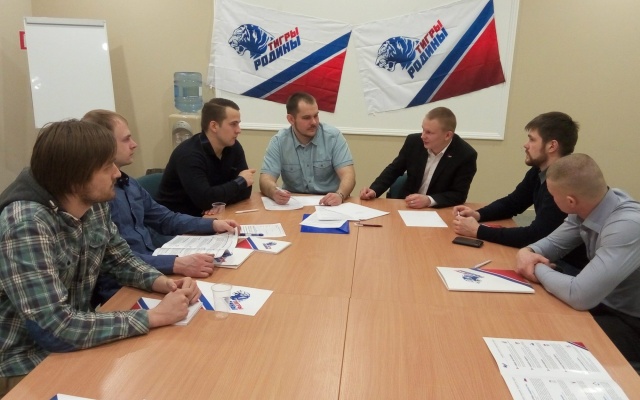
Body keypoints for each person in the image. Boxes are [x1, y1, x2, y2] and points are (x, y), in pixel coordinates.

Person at [0, 120, 201, 393]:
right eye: (107, 167)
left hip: (74, 340)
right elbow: (54, 328)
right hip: (24, 362)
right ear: (76, 177)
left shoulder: (92, 202)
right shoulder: (26, 224)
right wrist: (153, 317)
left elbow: (120, 259)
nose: (117, 173)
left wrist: (164, 283)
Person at [82, 110, 239, 305]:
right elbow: (116, 261)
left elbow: (165, 219)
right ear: (103, 146)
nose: (134, 144)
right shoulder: (97, 198)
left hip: (153, 271)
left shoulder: (128, 184)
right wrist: (175, 263)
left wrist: (212, 225)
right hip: (121, 287)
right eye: (126, 139)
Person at [515, 154, 640, 364]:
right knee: (533, 320)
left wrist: (535, 266)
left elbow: (579, 295)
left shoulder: (627, 226)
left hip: (631, 322)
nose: (551, 199)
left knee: (550, 347)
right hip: (605, 303)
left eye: (552, 195)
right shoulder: (591, 205)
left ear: (570, 201)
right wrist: (527, 251)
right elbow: (551, 245)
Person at [452, 112, 587, 268]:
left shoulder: (563, 183)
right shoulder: (538, 171)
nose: (525, 145)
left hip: (568, 266)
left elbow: (535, 235)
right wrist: (478, 214)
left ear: (552, 146)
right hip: (549, 256)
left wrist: (478, 231)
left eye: (532, 139)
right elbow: (513, 203)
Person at [360, 107, 477, 208]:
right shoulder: (413, 142)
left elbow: (459, 194)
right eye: (423, 130)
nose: (423, 136)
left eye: (429, 132)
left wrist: (429, 200)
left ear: (447, 135)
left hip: (439, 210)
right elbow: (394, 169)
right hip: (407, 206)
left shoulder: (465, 155)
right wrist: (374, 190)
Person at [156, 98, 255, 216]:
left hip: (207, 217)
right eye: (233, 124)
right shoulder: (189, 154)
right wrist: (240, 181)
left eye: (238, 124)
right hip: (174, 220)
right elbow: (205, 199)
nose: (238, 130)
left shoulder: (233, 147)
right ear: (214, 126)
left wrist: (218, 203)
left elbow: (245, 191)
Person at [259, 92, 355, 206]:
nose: (314, 122)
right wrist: (274, 192)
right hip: (293, 204)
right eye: (306, 118)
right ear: (291, 119)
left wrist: (340, 195)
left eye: (316, 116)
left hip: (329, 204)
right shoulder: (279, 141)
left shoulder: (333, 137)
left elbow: (348, 175)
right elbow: (265, 179)